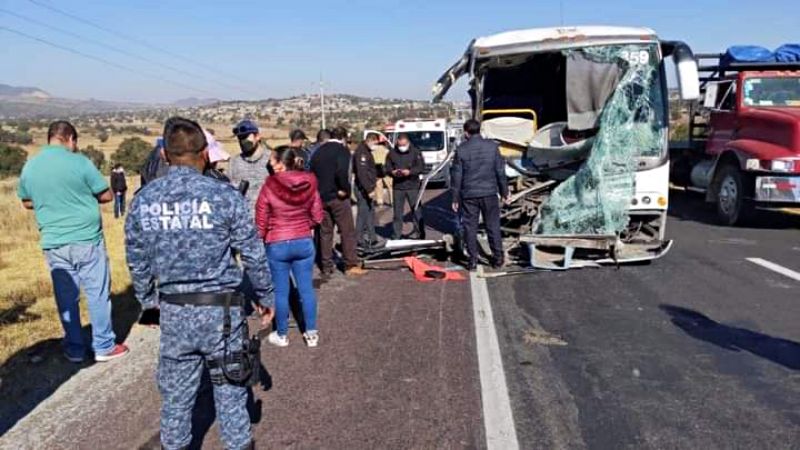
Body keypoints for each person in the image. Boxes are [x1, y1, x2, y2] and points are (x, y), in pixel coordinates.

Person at [125, 117, 274, 450]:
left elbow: (137, 261)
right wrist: (266, 295)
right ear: (205, 153)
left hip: (175, 315)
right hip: (222, 315)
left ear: (164, 155)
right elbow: (252, 253)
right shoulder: (224, 197)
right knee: (232, 399)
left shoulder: (144, 200)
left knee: (176, 404)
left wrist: (148, 302)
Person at [17, 120, 129, 363]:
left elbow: (26, 201)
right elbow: (106, 195)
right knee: (97, 294)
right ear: (70, 138)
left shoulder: (31, 166)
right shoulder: (79, 161)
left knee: (66, 298)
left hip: (54, 242)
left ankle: (75, 347)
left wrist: (51, 201)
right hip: (86, 238)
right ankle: (103, 345)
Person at [255, 146, 323, 347]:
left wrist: (262, 237)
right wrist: (303, 225)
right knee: (306, 289)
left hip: (277, 242)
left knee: (281, 292)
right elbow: (318, 216)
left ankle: (282, 334)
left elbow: (261, 218)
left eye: (272, 160)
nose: (269, 163)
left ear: (281, 163)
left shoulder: (269, 185)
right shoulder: (310, 182)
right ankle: (311, 334)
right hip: (303, 240)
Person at [451, 119, 509, 270]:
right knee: (493, 225)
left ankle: (473, 260)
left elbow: (457, 176)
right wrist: (504, 191)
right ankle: (497, 258)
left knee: (470, 227)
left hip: (469, 194)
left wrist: (455, 198)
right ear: (479, 130)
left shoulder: (461, 149)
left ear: (466, 132)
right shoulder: (492, 147)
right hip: (489, 192)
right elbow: (500, 171)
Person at [309, 126, 365, 277]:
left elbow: (311, 173)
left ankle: (326, 265)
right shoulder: (342, 150)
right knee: (347, 231)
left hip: (321, 197)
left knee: (325, 233)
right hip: (337, 197)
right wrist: (345, 190)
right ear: (344, 138)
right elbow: (343, 172)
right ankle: (350, 264)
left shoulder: (317, 152)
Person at [385, 133, 426, 240]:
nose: (402, 147)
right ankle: (396, 236)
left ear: (408, 142)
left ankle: (420, 235)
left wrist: (410, 172)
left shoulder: (416, 152)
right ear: (397, 142)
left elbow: (421, 167)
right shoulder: (391, 153)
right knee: (397, 214)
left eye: (404, 145)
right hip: (398, 187)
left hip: (412, 186)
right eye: (400, 145)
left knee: (416, 212)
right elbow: (387, 168)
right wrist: (392, 172)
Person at [229, 119, 270, 215]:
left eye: (245, 137)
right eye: (240, 138)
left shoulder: (271, 159)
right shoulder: (234, 162)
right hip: (244, 220)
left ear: (257, 136)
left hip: (267, 220)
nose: (243, 141)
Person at [353, 133, 381, 249]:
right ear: (370, 140)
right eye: (375, 143)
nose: (376, 145)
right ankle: (358, 240)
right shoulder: (361, 153)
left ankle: (372, 238)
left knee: (370, 213)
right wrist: (369, 190)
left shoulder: (367, 151)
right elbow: (362, 174)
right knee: (363, 214)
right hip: (363, 188)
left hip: (367, 187)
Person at [372, 137, 393, 207]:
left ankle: (379, 202)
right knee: (390, 186)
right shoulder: (387, 151)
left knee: (378, 186)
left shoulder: (373, 151)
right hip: (385, 169)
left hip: (376, 169)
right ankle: (392, 201)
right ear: (384, 143)